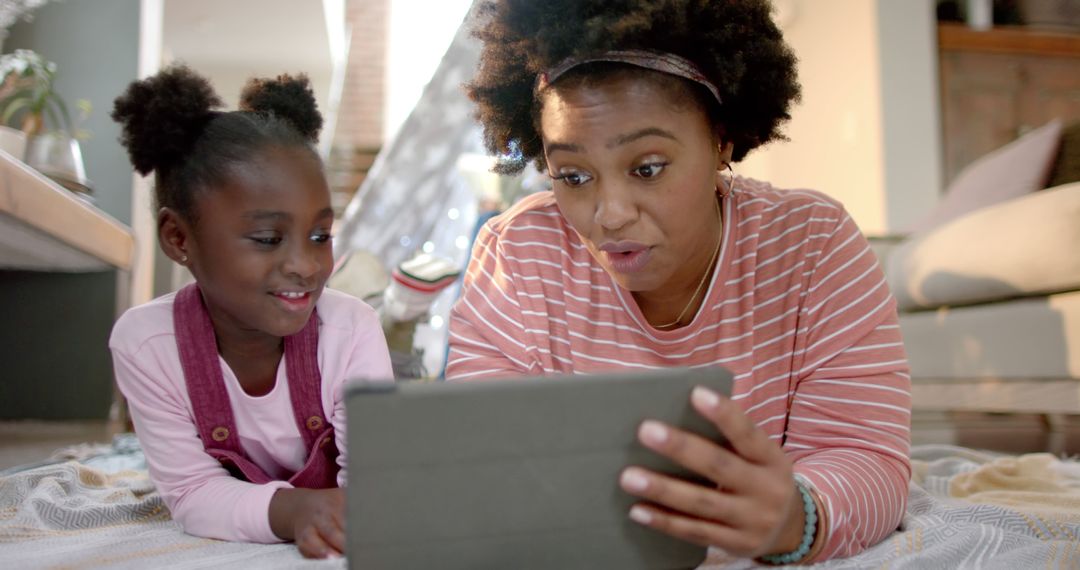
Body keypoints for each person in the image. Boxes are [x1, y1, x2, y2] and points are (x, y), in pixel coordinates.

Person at [447, 0, 910, 564]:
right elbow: (483, 462)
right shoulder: (517, 256)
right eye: (573, 175)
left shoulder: (814, 244)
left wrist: (797, 516)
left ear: (721, 140)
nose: (610, 214)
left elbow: (864, 455)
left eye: (647, 167)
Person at [109, 66, 392, 559]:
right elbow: (193, 494)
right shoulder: (145, 344)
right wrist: (295, 511)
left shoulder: (350, 330)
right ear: (179, 238)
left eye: (320, 236)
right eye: (267, 239)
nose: (306, 265)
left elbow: (376, 485)